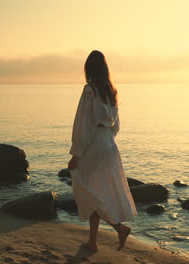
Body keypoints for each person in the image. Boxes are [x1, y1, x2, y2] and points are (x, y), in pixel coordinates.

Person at [68, 50, 137, 252]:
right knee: (98, 191)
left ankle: (118, 228)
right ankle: (93, 241)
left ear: (89, 69)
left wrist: (76, 152)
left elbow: (82, 123)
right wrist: (107, 139)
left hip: (93, 144)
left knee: (88, 191)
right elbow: (116, 125)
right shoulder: (111, 90)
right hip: (108, 143)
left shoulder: (90, 90)